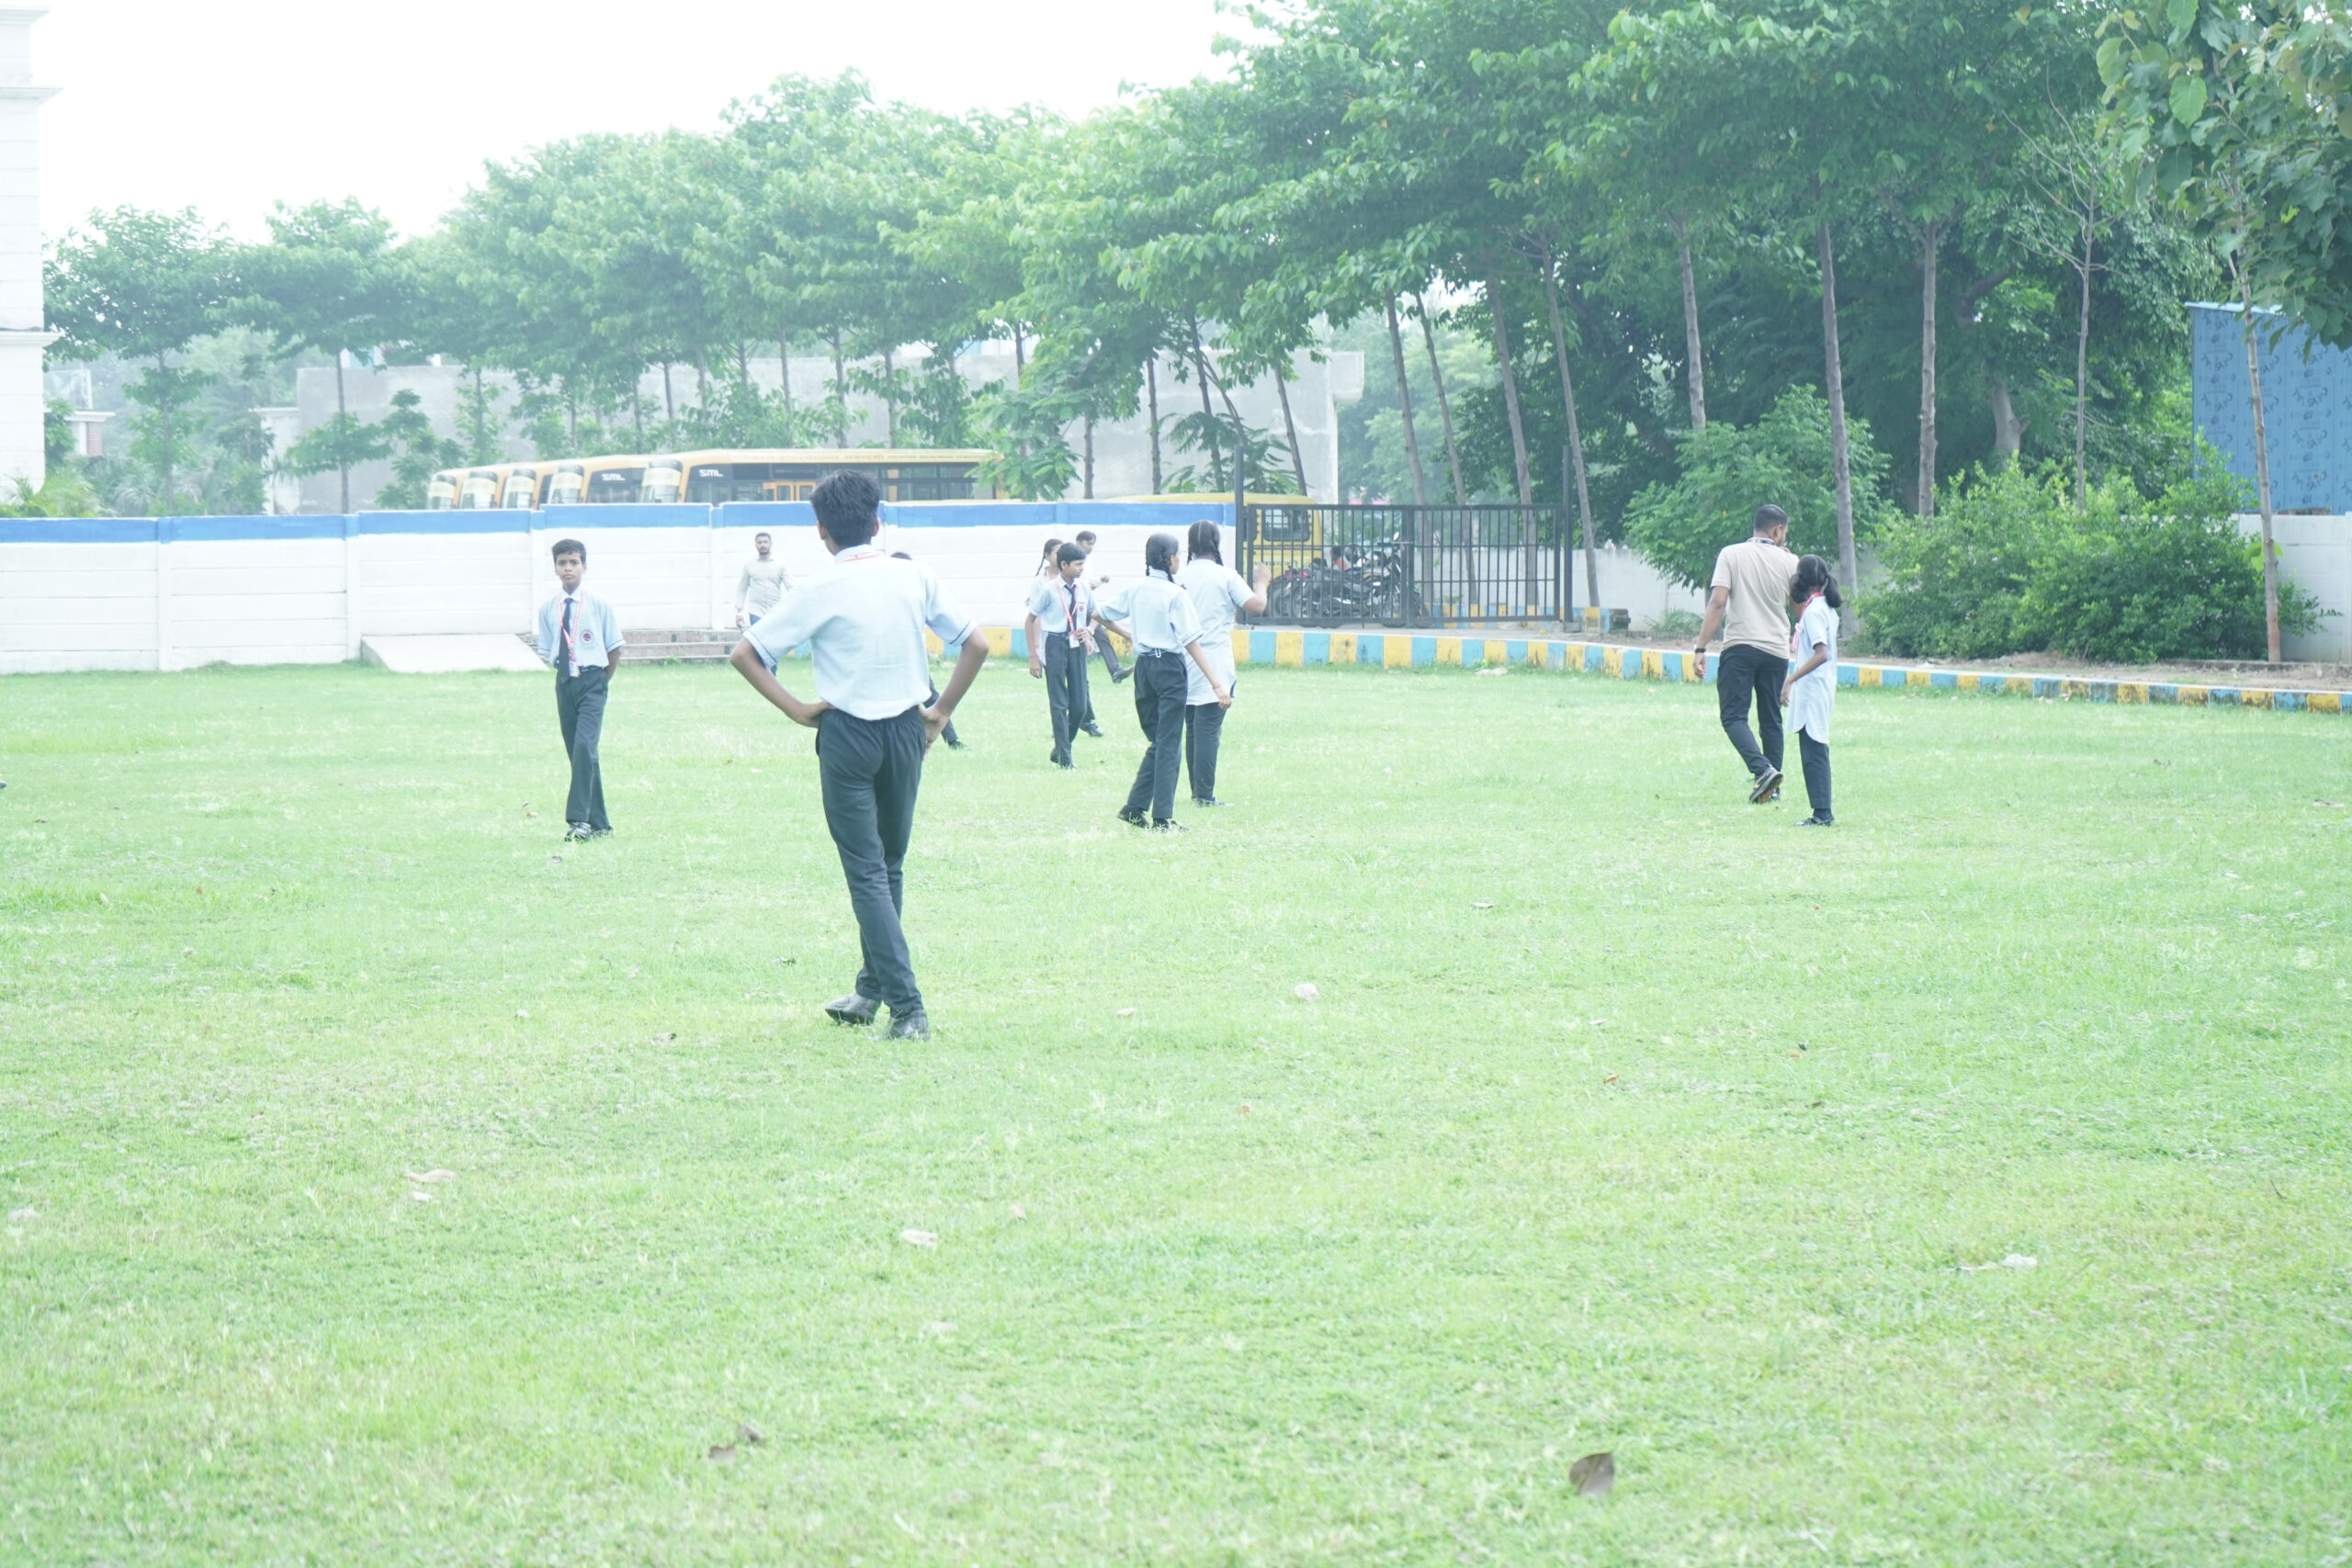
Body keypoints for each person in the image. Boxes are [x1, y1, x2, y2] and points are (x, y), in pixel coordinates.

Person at [729, 471, 988, 1042]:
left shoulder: (817, 589)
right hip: (906, 731)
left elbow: (746, 654)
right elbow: (977, 643)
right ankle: (870, 991)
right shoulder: (914, 575)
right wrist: (941, 711)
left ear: (820, 529)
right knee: (888, 866)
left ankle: (908, 1008)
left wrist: (799, 711)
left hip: (847, 735)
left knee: (868, 873)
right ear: (877, 522)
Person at [1098, 532, 1232, 831]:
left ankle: (1134, 808)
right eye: (1178, 554)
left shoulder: (1135, 588)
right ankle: (1162, 819)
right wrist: (1216, 683)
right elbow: (1192, 642)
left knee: (1159, 740)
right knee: (1169, 743)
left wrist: (1130, 635)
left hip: (1144, 667)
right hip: (1169, 668)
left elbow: (1099, 614)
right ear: (1170, 558)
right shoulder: (1175, 594)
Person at [1691, 503, 1800, 803]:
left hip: (1740, 647)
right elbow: (1797, 607)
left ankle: (1763, 772)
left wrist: (1701, 647)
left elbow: (1717, 603)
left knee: (1733, 717)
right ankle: (1772, 789)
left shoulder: (1731, 554)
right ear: (1778, 530)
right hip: (1776, 650)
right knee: (1771, 720)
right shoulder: (1790, 561)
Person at [534, 537, 624, 841]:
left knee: (585, 746)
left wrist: (600, 681)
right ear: (555, 568)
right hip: (565, 683)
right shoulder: (549, 609)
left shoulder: (598, 605)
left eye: (574, 562)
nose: (568, 568)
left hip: (593, 680)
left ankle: (578, 821)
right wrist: (567, 677)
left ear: (584, 566)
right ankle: (600, 825)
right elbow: (550, 649)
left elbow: (614, 648)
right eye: (562, 563)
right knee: (579, 753)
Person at [1175, 519, 1270, 807]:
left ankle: (1198, 792)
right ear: (1216, 544)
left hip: (1183, 659)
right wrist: (1261, 582)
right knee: (1207, 730)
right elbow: (1257, 606)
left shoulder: (1179, 575)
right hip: (1214, 660)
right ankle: (1204, 795)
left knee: (1193, 728)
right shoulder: (1225, 576)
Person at [1781, 554, 1841, 827]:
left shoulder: (1815, 611)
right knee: (1813, 747)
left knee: (1814, 749)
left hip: (1813, 689)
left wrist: (1791, 679)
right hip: (1819, 686)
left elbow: (1821, 653)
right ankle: (1821, 810)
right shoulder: (1823, 607)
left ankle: (1822, 813)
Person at [1025, 542, 1095, 769]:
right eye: (1078, 565)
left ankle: (1060, 747)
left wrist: (1090, 631)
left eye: (1083, 564)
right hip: (1055, 644)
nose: (1082, 569)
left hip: (1077, 645)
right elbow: (1030, 619)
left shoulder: (1083, 588)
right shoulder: (1049, 589)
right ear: (1064, 565)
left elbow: (1095, 614)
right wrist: (1033, 656)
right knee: (1059, 703)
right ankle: (1065, 758)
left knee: (1080, 706)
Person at [892, 551, 962, 750]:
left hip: (912, 656)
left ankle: (952, 740)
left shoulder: (915, 593)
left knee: (930, 696)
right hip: (896, 656)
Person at [1073, 530, 1128, 689]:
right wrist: (1089, 585)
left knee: (1101, 633)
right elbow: (1076, 583)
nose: (1091, 547)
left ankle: (1115, 670)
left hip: (1087, 605)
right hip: (1073, 606)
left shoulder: (1088, 561)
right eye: (1088, 544)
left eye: (1093, 544)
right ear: (1078, 542)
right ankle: (1076, 674)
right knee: (1077, 639)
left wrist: (1099, 581)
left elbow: (1087, 583)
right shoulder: (1071, 558)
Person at [735, 531, 790, 629]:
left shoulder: (780, 564)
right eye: (759, 542)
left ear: (771, 544)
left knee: (774, 637)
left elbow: (791, 587)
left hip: (775, 610)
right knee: (759, 638)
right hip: (756, 612)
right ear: (755, 545)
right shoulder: (749, 565)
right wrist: (739, 612)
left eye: (765, 542)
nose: (763, 545)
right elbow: (742, 589)